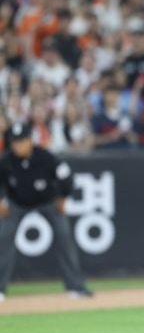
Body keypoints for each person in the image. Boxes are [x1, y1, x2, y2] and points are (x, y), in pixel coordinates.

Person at [0, 122, 92, 302]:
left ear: (30, 141)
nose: (18, 146)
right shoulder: (6, 160)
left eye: (21, 141)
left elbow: (66, 176)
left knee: (64, 237)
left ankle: (76, 286)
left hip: (47, 201)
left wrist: (64, 197)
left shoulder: (45, 157)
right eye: (15, 142)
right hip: (17, 203)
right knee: (3, 240)